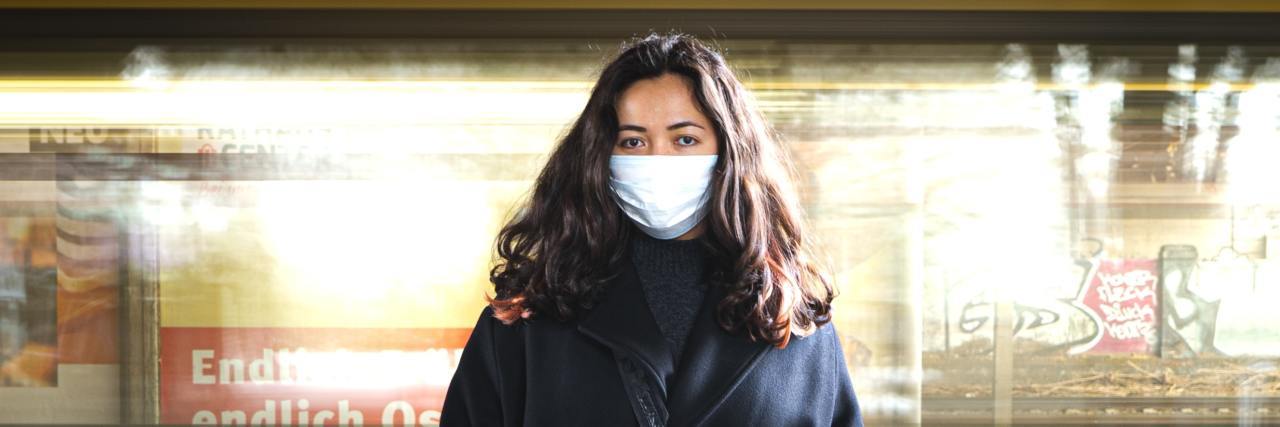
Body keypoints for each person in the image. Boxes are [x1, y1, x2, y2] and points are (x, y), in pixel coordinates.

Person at [441, 33, 862, 427]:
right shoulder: (527, 320)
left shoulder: (795, 319)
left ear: (730, 154)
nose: (658, 159)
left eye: (684, 140)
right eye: (633, 142)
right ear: (598, 157)